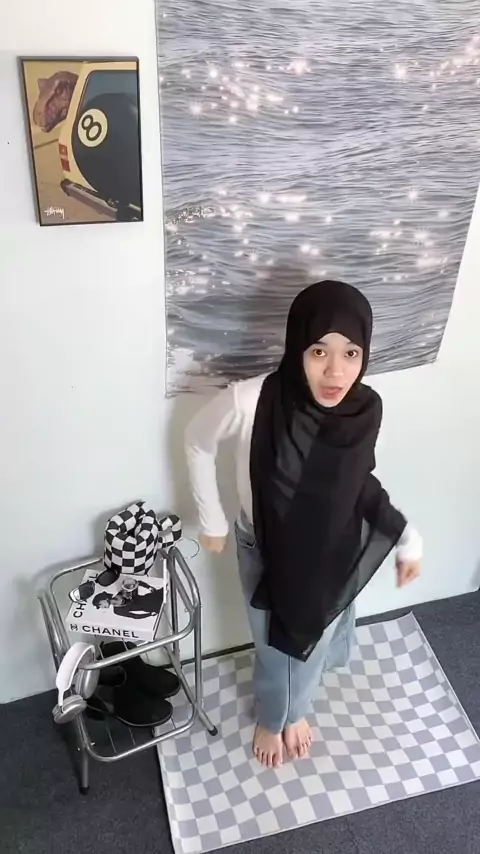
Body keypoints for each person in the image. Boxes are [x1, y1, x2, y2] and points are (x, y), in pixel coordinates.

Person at [185, 280, 422, 769]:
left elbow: (360, 483)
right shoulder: (251, 401)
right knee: (278, 645)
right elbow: (197, 441)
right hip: (268, 548)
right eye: (319, 351)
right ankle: (277, 717)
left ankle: (298, 705)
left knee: (317, 637)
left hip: (333, 544)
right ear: (297, 347)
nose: (336, 371)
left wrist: (406, 535)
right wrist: (212, 519)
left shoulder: (364, 409)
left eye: (351, 353)